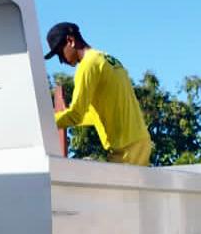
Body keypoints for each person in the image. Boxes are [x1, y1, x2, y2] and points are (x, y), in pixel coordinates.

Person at [44, 22, 152, 166]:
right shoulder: (107, 58)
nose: (61, 60)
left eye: (59, 53)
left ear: (70, 41)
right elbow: (95, 115)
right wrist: (62, 117)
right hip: (140, 141)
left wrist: (44, 122)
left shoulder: (87, 66)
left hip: (125, 148)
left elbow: (76, 114)